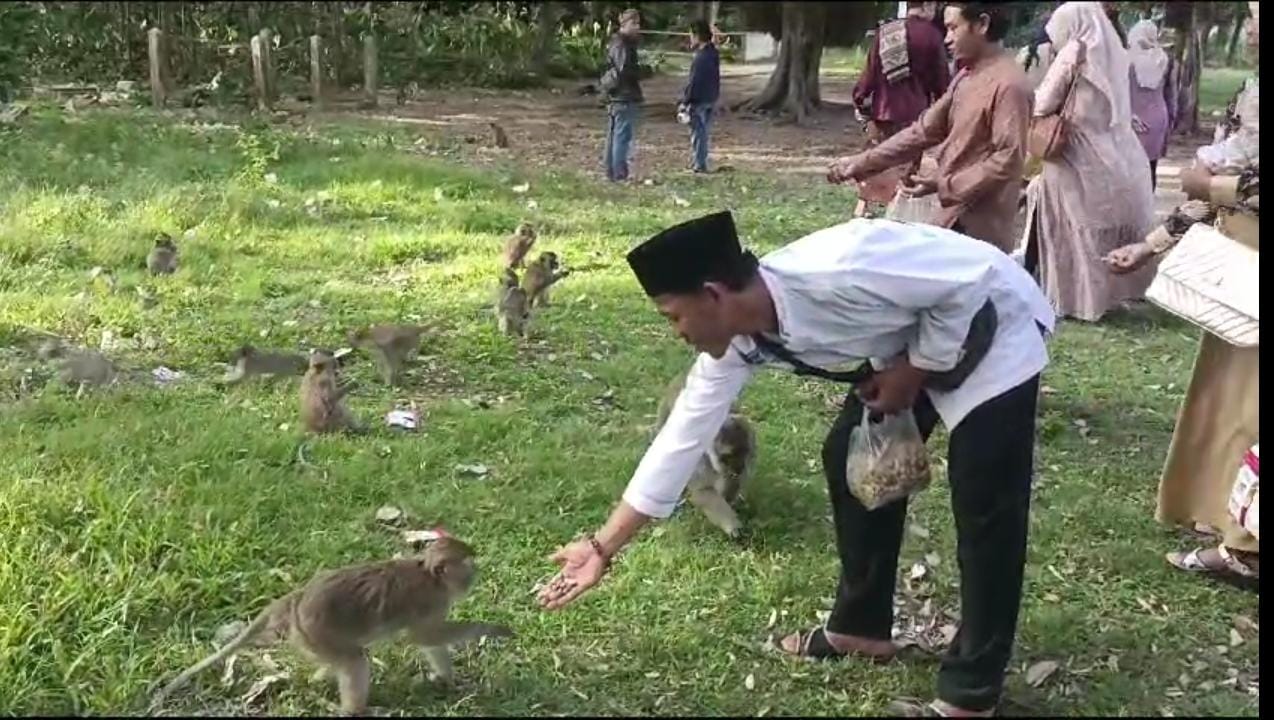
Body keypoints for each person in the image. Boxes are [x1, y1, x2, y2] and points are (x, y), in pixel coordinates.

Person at [536, 210, 1056, 718]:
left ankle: (972, 688)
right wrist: (602, 546)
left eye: (674, 316)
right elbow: (680, 439)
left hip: (993, 323)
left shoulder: (842, 265)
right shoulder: (740, 339)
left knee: (985, 498)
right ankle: (861, 626)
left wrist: (915, 371)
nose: (677, 333)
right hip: (909, 344)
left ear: (715, 295)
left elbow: (967, 283)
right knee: (846, 458)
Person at [1104, 2, 1260, 590]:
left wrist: (1213, 182)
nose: (1249, 27)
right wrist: (1149, 245)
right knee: (1225, 398)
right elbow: (1216, 192)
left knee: (1249, 405)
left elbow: (1222, 185)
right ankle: (1229, 513)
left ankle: (1246, 546)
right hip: (1239, 262)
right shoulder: (1250, 87)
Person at [830, 3, 1032, 254]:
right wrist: (862, 163)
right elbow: (923, 131)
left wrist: (946, 183)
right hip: (950, 220)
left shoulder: (1009, 85)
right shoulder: (966, 77)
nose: (946, 39)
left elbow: (1007, 160)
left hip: (981, 231)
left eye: (953, 28)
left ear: (982, 25)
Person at [1022, 1, 1155, 322]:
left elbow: (1044, 101)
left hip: (1070, 153)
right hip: (1110, 152)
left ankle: (1071, 300)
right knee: (1093, 226)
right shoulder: (1115, 52)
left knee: (1067, 229)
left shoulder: (1074, 51)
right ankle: (1103, 298)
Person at [852, 2, 951, 145]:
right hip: (917, 117)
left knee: (883, 162)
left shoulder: (885, 32)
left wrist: (862, 108)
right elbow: (942, 83)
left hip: (883, 115)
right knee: (908, 165)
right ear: (927, 4)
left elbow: (868, 77)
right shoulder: (933, 35)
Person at [1127, 20, 1175, 188]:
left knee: (1130, 168)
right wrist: (1171, 121)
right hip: (1158, 118)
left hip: (1132, 119)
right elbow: (1171, 95)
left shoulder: (1126, 60)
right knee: (1151, 168)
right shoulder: (1164, 59)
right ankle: (1148, 207)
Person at [599, 9, 643, 182]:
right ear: (624, 24)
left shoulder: (618, 43)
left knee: (614, 136)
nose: (637, 27)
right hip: (623, 95)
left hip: (617, 95)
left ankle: (611, 171)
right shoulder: (622, 44)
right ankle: (619, 173)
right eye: (634, 23)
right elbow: (624, 70)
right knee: (621, 137)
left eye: (639, 23)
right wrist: (641, 72)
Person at [680, 20, 721, 174]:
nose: (690, 38)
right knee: (704, 132)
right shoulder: (713, 53)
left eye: (691, 35)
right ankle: (701, 161)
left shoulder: (700, 58)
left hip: (699, 100)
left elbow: (694, 82)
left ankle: (699, 164)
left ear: (697, 36)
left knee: (698, 134)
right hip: (711, 97)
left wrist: (685, 101)